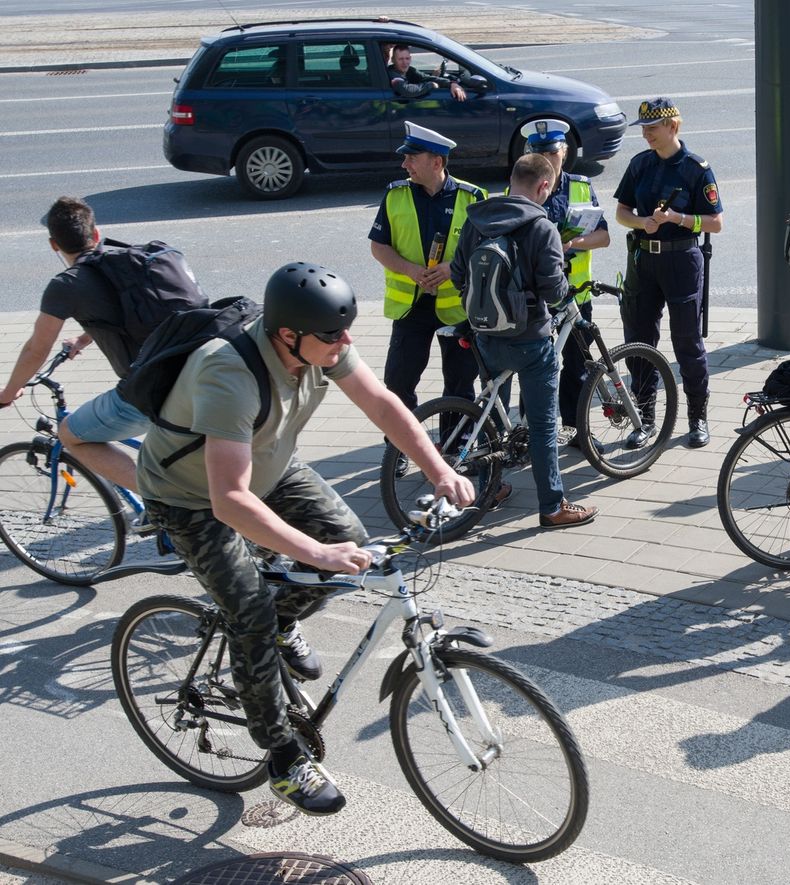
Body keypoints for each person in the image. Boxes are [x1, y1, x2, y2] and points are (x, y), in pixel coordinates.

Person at [138, 262, 475, 816]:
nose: (345, 343)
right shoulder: (228, 374)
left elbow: (385, 405)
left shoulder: (321, 346)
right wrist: (315, 553)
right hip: (191, 497)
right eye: (332, 334)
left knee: (349, 538)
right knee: (249, 606)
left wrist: (438, 469)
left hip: (271, 467)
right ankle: (281, 756)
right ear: (287, 335)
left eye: (346, 329)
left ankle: (282, 623)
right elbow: (229, 500)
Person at [451, 154, 599, 530]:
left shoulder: (476, 219)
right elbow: (552, 288)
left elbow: (457, 275)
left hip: (486, 335)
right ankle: (552, 506)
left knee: (491, 418)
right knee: (543, 424)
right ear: (544, 186)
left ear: (512, 179)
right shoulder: (541, 226)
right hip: (531, 341)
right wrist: (565, 289)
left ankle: (491, 488)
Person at [0, 197, 163, 495]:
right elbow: (130, 312)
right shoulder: (128, 260)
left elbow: (37, 349)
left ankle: (163, 501)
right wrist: (84, 337)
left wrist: (8, 393)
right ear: (96, 233)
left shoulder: (66, 285)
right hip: (195, 369)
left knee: (70, 435)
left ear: (53, 245)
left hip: (150, 392)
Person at [370, 122, 486, 474]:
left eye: (411, 157)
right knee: (398, 382)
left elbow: (487, 248)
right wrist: (409, 269)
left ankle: (456, 447)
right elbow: (379, 246)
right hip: (411, 307)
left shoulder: (473, 198)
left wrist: (453, 268)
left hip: (457, 309)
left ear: (437, 162)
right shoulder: (395, 195)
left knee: (460, 383)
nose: (405, 164)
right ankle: (401, 448)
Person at [613, 98, 723, 448]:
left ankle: (697, 417)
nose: (646, 135)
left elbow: (716, 223)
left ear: (673, 126)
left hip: (681, 259)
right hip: (644, 260)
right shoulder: (640, 164)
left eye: (652, 128)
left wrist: (677, 218)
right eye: (643, 129)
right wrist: (641, 222)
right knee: (639, 341)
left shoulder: (695, 168)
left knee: (687, 342)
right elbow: (621, 212)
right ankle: (644, 417)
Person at [517, 118, 611, 449]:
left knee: (578, 367)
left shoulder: (581, 186)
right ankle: (529, 433)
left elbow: (604, 236)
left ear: (565, 152)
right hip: (535, 295)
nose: (547, 159)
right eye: (539, 152)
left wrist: (572, 243)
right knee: (535, 366)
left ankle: (576, 430)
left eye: (553, 152)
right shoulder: (522, 186)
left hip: (574, 295)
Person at [387, 44, 467, 102]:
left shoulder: (410, 71)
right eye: (400, 59)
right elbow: (407, 90)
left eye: (407, 58)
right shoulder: (392, 74)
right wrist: (430, 85)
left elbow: (427, 78)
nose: (405, 62)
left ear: (410, 59)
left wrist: (452, 84)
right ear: (393, 60)